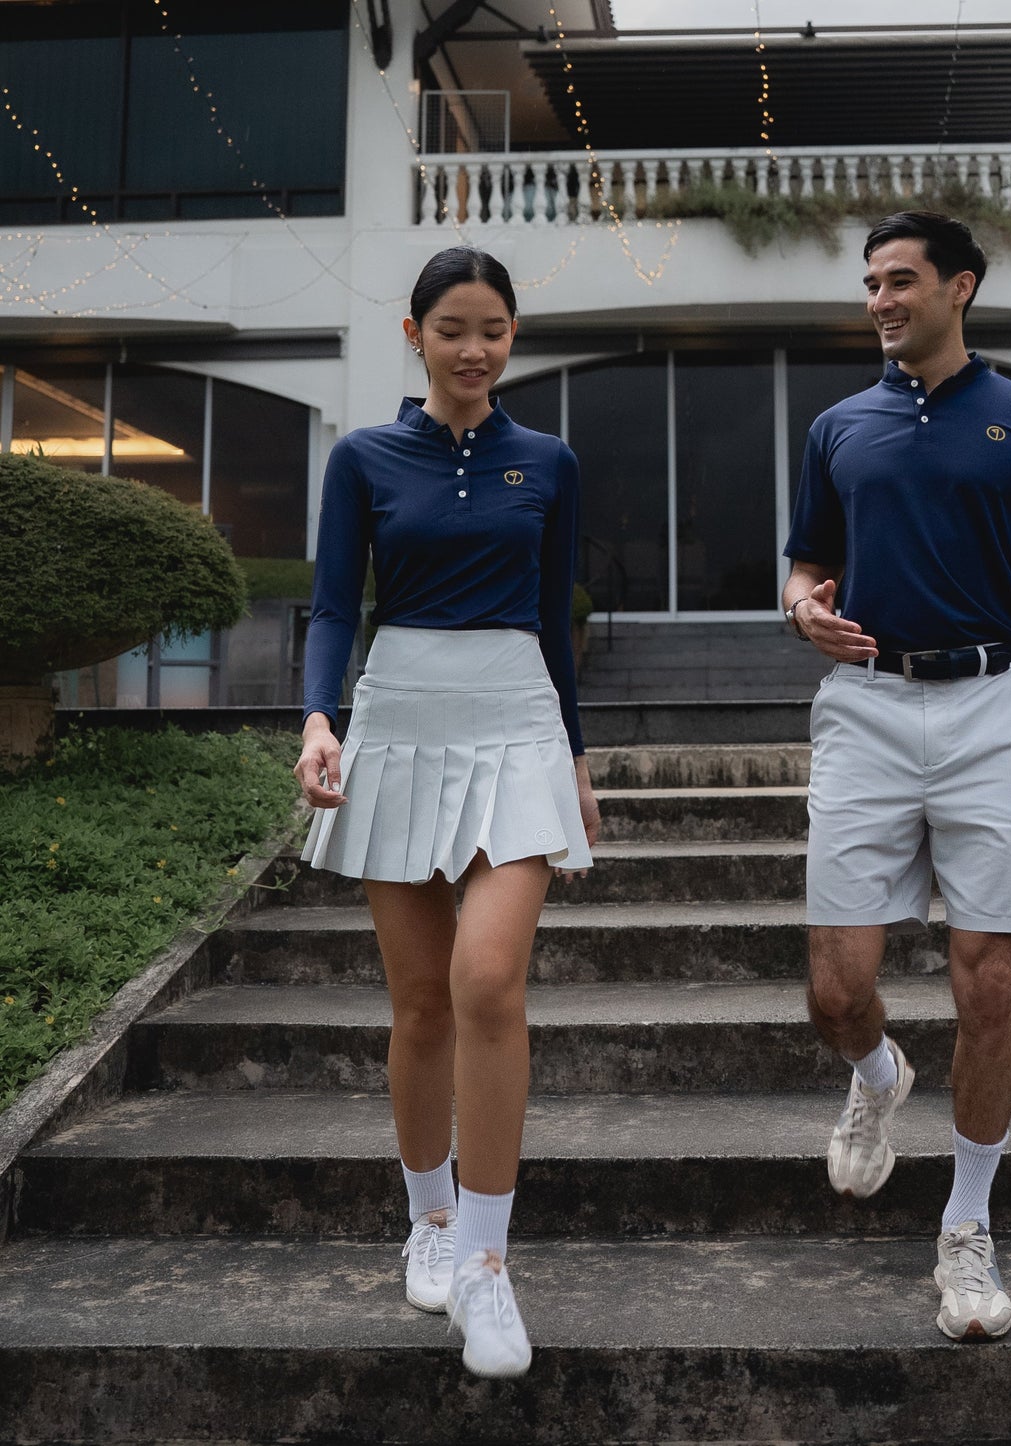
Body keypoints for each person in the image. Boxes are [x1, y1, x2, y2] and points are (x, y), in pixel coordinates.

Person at [781, 211, 1011, 1342]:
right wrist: (800, 607)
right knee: (833, 989)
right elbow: (806, 563)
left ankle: (965, 1230)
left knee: (986, 985)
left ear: (958, 288)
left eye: (900, 281)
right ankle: (877, 1074)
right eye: (869, 282)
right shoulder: (836, 426)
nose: (879, 299)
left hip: (991, 707)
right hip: (867, 709)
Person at [293, 246, 600, 1378]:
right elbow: (334, 606)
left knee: (486, 979)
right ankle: (425, 1221)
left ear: (513, 337)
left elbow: (555, 624)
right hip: (399, 716)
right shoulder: (362, 457)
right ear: (413, 332)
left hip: (516, 719)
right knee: (421, 1001)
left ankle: (486, 1263)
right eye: (454, 329)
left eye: (495, 331)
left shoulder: (549, 461)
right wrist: (319, 718)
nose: (475, 350)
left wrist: (572, 757)